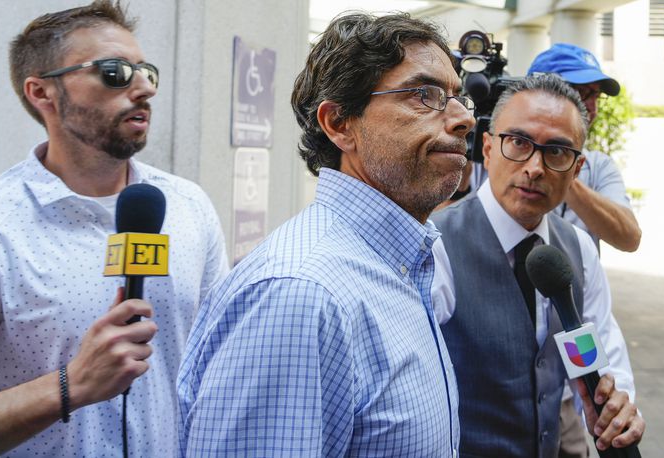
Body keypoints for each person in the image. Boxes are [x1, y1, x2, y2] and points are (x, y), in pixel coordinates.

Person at [177, 12, 475, 457]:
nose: (462, 120)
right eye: (424, 95)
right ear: (339, 123)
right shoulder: (301, 294)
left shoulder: (398, 264)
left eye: (458, 98)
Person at [0, 2, 228, 456]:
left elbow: (215, 366)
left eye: (146, 71)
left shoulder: (188, 206)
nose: (144, 89)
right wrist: (70, 385)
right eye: (115, 72)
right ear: (43, 93)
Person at [431, 74, 644, 458]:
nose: (534, 167)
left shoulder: (578, 249)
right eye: (518, 142)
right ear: (488, 148)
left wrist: (618, 406)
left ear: (577, 171)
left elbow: (601, 348)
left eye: (557, 152)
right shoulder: (436, 246)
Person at [529, 43, 642, 253]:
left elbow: (629, 238)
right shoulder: (498, 153)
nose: (593, 108)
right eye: (581, 93)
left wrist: (561, 170)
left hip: (578, 285)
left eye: (596, 97)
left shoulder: (598, 164)